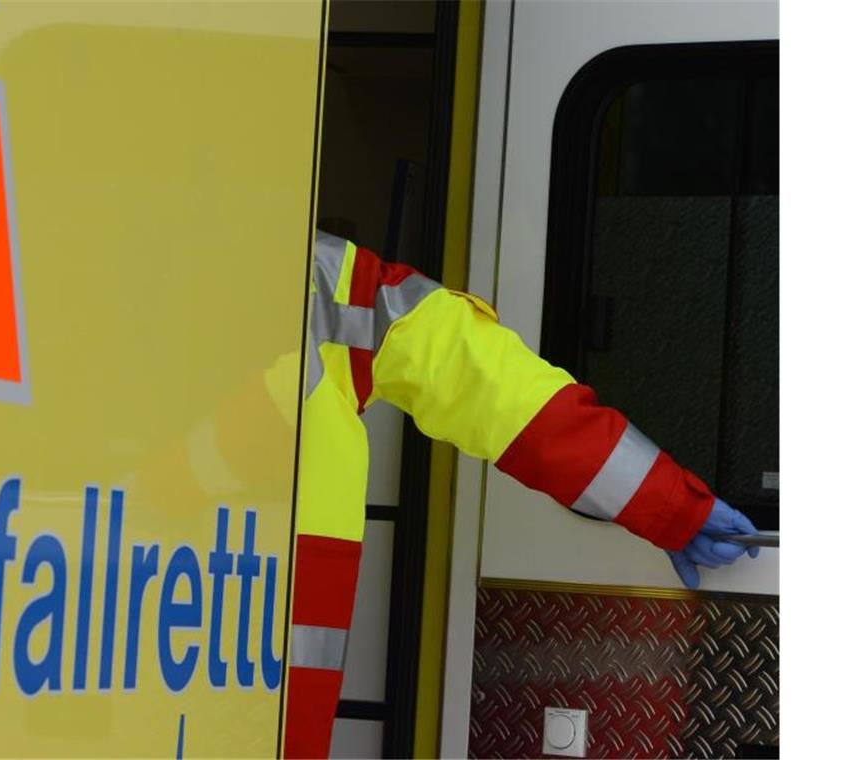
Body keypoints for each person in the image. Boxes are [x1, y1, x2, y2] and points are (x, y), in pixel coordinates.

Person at [281, 230, 760, 758]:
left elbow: (504, 398)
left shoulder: (317, 278)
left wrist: (671, 506)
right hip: (255, 695)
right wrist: (672, 506)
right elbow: (501, 393)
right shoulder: (320, 277)